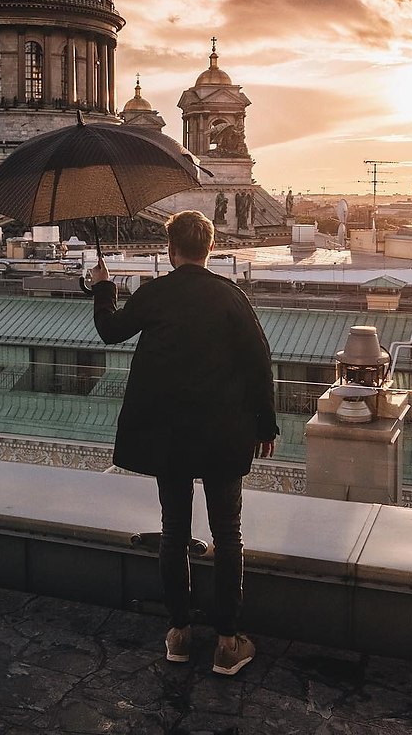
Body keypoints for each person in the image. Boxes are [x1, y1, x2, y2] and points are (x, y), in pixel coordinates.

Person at [90, 209, 277, 676]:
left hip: (168, 435)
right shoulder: (230, 296)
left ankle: (178, 633)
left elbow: (110, 331)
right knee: (227, 535)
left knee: (174, 531)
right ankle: (228, 643)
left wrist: (103, 288)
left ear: (171, 250)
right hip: (222, 434)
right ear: (209, 248)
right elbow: (259, 363)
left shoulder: (156, 294)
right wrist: (265, 426)